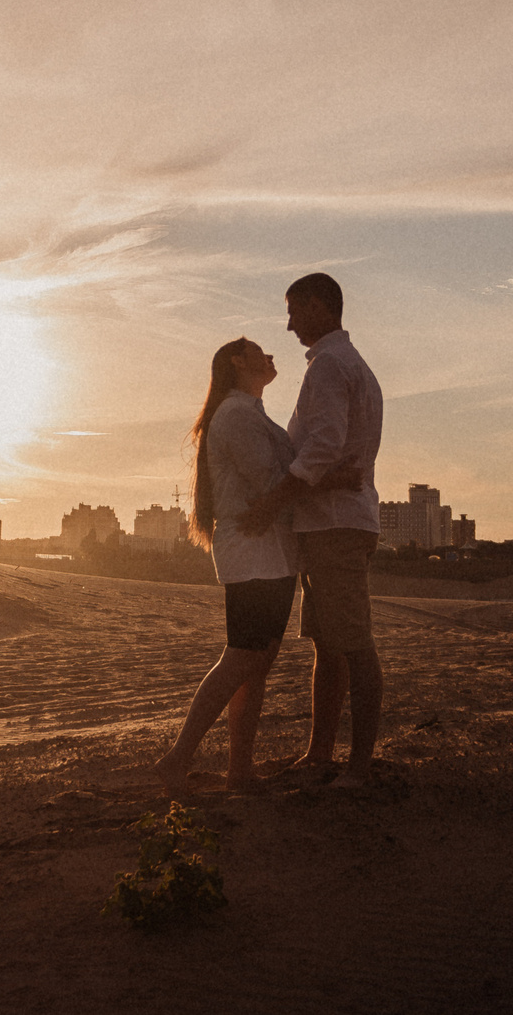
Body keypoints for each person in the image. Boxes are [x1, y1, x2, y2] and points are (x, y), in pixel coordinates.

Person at [242, 271, 384, 789]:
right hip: (335, 521)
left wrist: (271, 502)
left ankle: (360, 765)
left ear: (323, 308)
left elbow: (322, 448)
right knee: (329, 643)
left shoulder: (329, 366)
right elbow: (331, 453)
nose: (288, 325)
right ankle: (320, 754)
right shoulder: (347, 364)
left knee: (352, 642)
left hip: (336, 526)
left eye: (295, 311)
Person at [151, 337, 299, 797]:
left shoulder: (248, 412)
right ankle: (177, 758)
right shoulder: (235, 415)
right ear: (238, 362)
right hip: (255, 551)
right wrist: (324, 474)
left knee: (257, 662)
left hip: (271, 551)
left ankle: (240, 770)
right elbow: (270, 482)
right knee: (243, 656)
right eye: (259, 350)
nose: (270, 355)